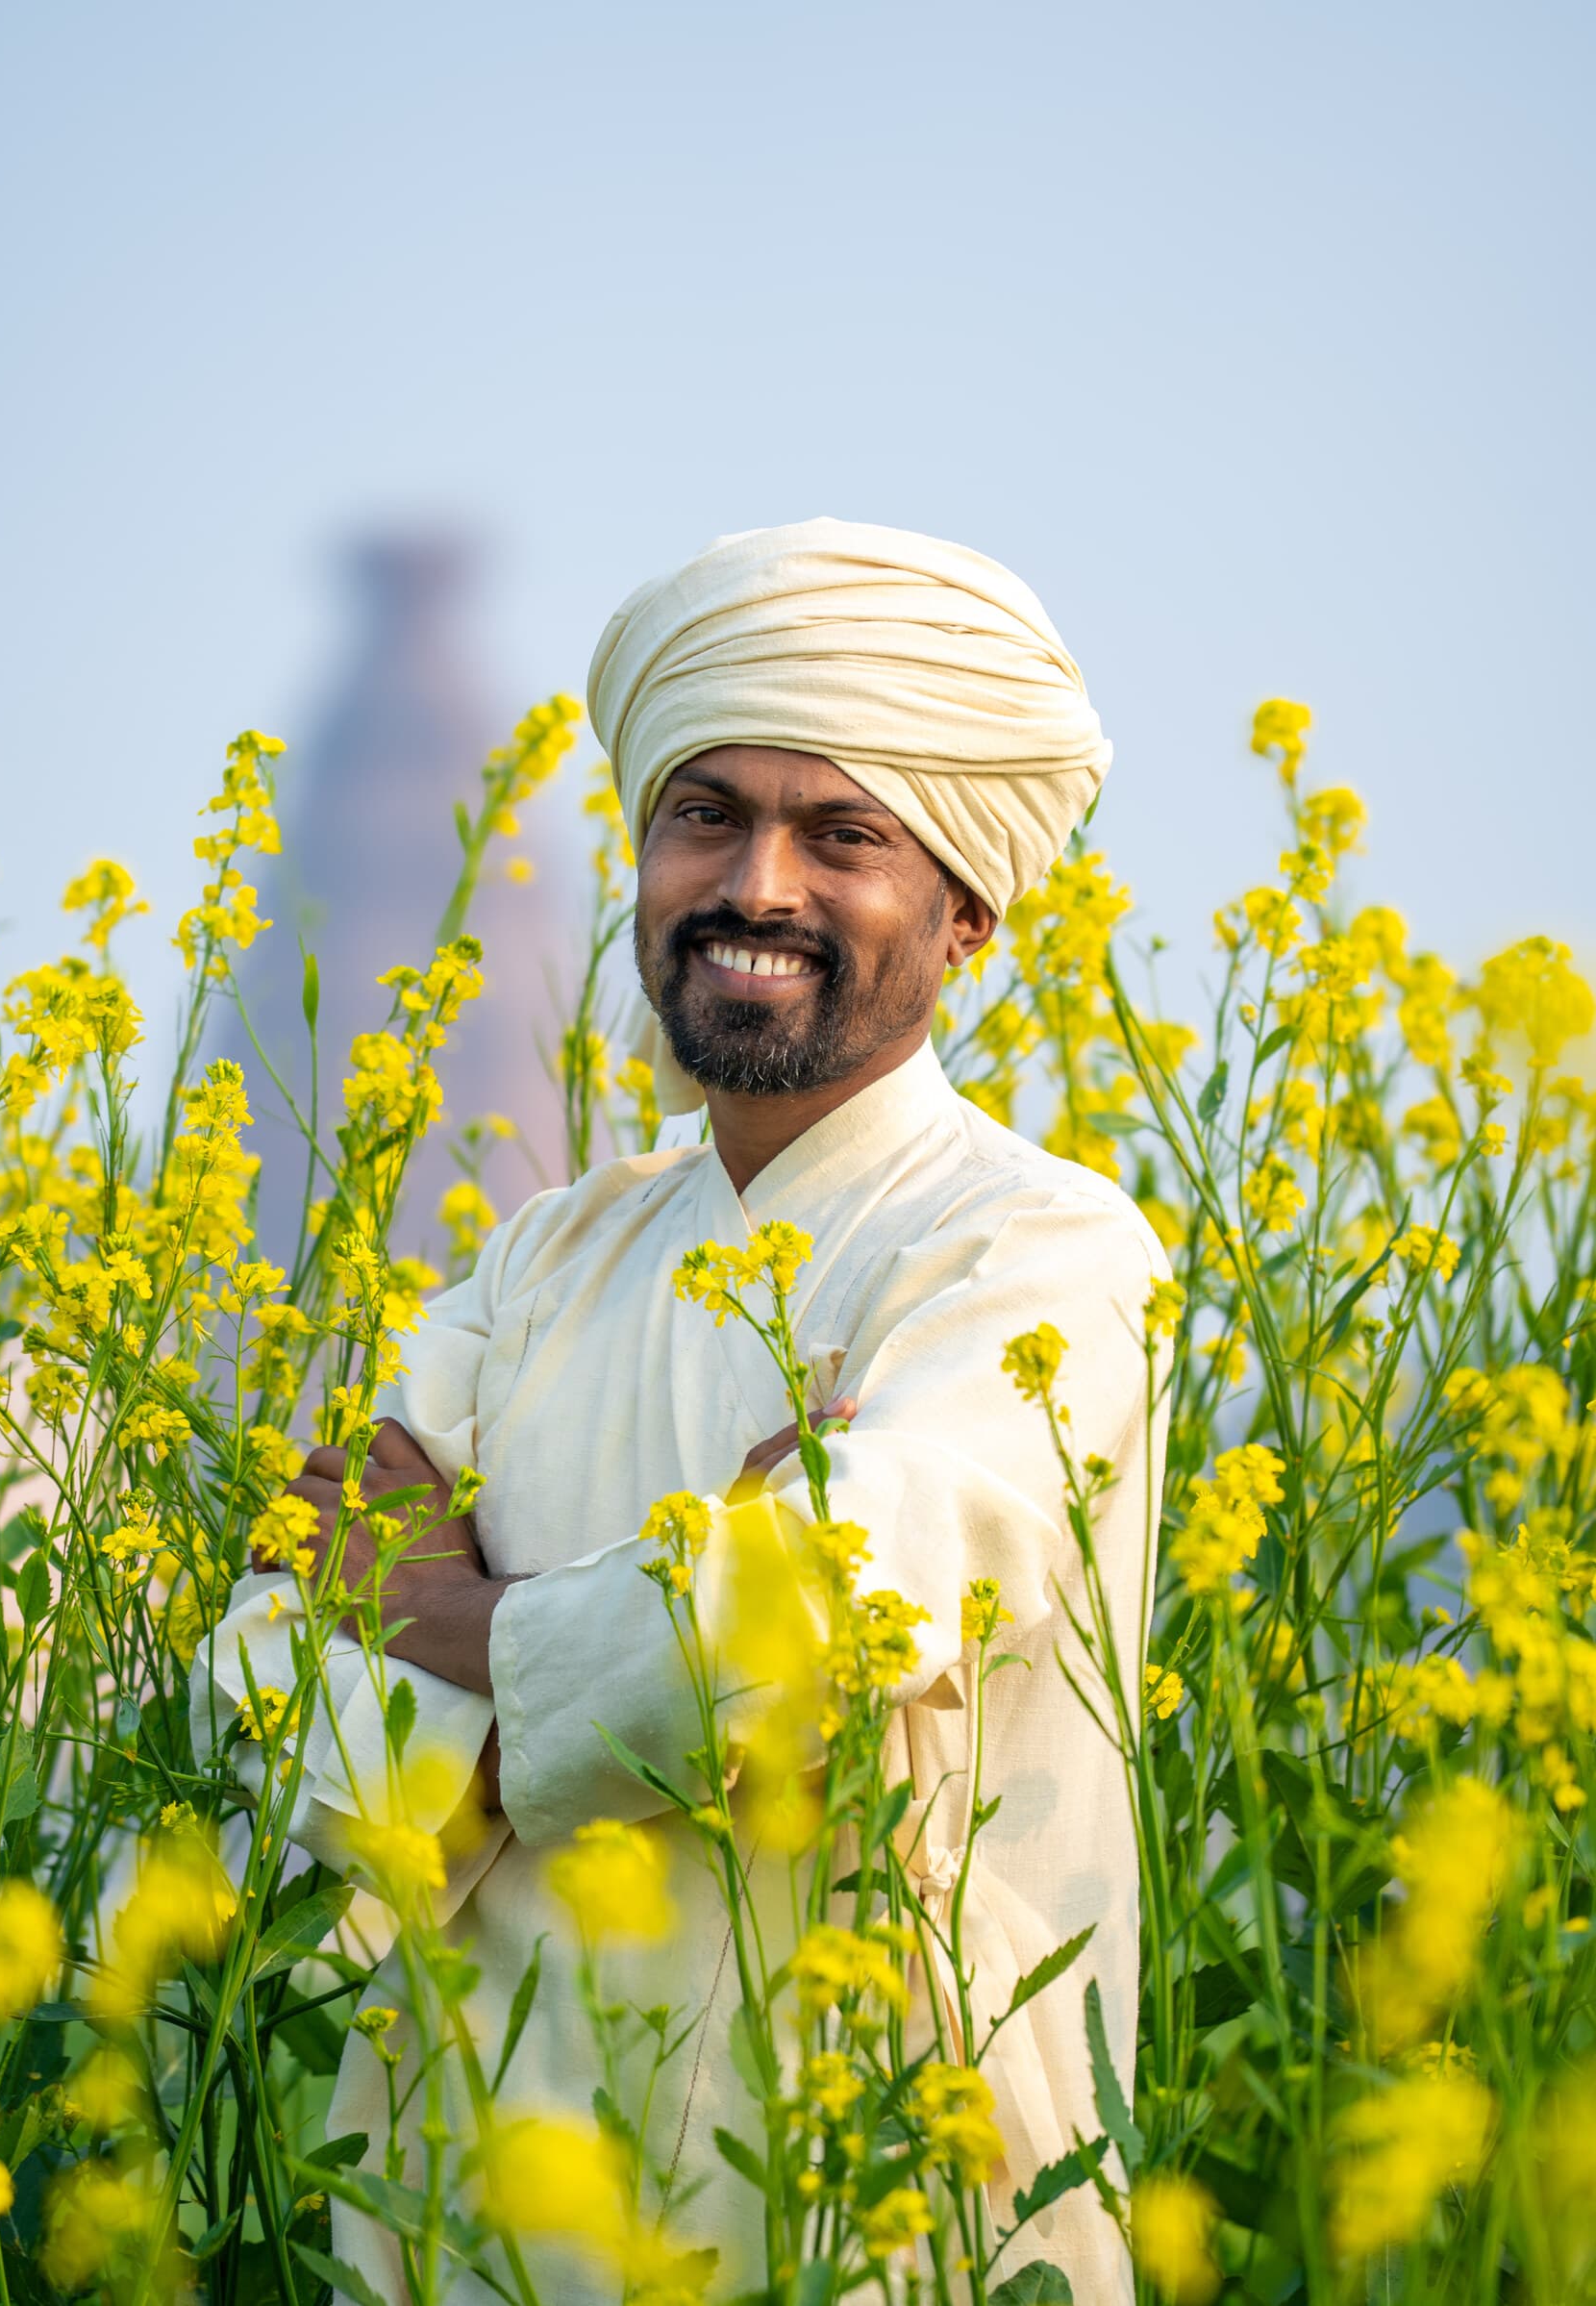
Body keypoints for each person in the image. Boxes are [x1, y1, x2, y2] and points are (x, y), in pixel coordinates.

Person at [194, 517, 1172, 2302]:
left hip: (877, 2214)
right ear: (643, 856)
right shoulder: (540, 1261)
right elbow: (264, 1664)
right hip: (479, 2213)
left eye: (844, 834)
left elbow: (828, 1599)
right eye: (706, 814)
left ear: (965, 910)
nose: (760, 884)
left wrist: (455, 1617)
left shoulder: (1039, 1252)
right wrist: (644, 1676)